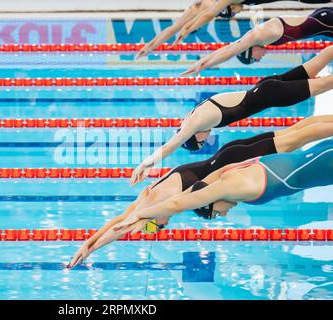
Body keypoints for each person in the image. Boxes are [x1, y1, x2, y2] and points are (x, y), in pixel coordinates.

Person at [67, 117, 333, 268]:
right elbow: (118, 221)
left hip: (233, 160)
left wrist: (95, 246)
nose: (164, 224)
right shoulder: (149, 196)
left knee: (297, 138)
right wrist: (89, 243)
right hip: (228, 158)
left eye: (155, 228)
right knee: (297, 133)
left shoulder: (159, 201)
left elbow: (123, 226)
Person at [130, 45, 333, 185]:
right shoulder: (196, 114)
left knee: (324, 84)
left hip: (272, 94)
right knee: (316, 63)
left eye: (201, 142)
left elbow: (170, 145)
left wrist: (146, 163)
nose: (206, 140)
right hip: (265, 87)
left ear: (193, 136)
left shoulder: (196, 122)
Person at [136, 1, 332, 59]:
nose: (234, 14)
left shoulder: (212, 5)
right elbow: (172, 29)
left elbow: (206, 16)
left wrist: (187, 30)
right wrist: (151, 46)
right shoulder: (197, 8)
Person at [181, 7, 332, 75]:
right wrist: (203, 61)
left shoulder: (258, 36)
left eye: (254, 59)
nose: (259, 60)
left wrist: (201, 66)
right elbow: (230, 47)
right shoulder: (257, 37)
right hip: (323, 22)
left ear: (249, 50)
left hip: (325, 21)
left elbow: (229, 52)